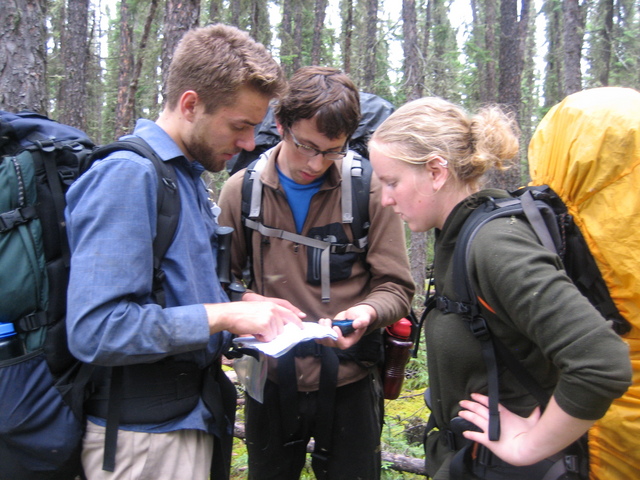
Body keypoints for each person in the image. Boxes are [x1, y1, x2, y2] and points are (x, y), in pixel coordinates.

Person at [64, 24, 303, 480]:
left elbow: (173, 290)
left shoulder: (185, 178)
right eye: (240, 125)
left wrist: (240, 302)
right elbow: (96, 329)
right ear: (191, 104)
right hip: (141, 442)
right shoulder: (127, 176)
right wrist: (222, 317)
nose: (250, 144)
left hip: (185, 421)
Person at [367, 96, 632, 480]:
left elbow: (602, 363)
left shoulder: (494, 245)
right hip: (472, 463)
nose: (386, 198)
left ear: (436, 171)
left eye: (392, 182)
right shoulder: (457, 236)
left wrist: (530, 445)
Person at [217, 66, 415, 479]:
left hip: (350, 383)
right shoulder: (242, 190)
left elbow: (396, 285)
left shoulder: (369, 189)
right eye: (306, 145)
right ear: (281, 124)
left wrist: (368, 313)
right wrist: (244, 300)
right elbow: (221, 284)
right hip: (269, 383)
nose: (316, 162)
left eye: (332, 151)